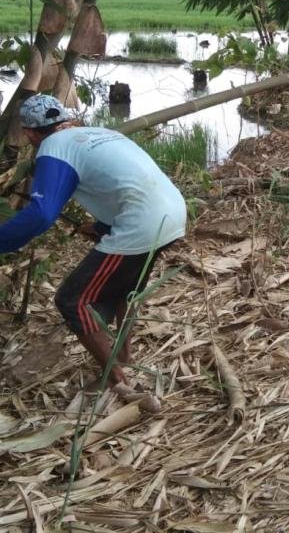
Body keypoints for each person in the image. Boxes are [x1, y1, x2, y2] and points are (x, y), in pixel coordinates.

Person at [0, 94, 186, 398]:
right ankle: (123, 358)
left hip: (141, 223)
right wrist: (101, 227)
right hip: (172, 212)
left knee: (72, 300)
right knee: (124, 286)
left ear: (30, 133)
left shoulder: (52, 147)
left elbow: (41, 214)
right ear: (64, 119)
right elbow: (126, 183)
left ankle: (115, 379)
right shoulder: (101, 133)